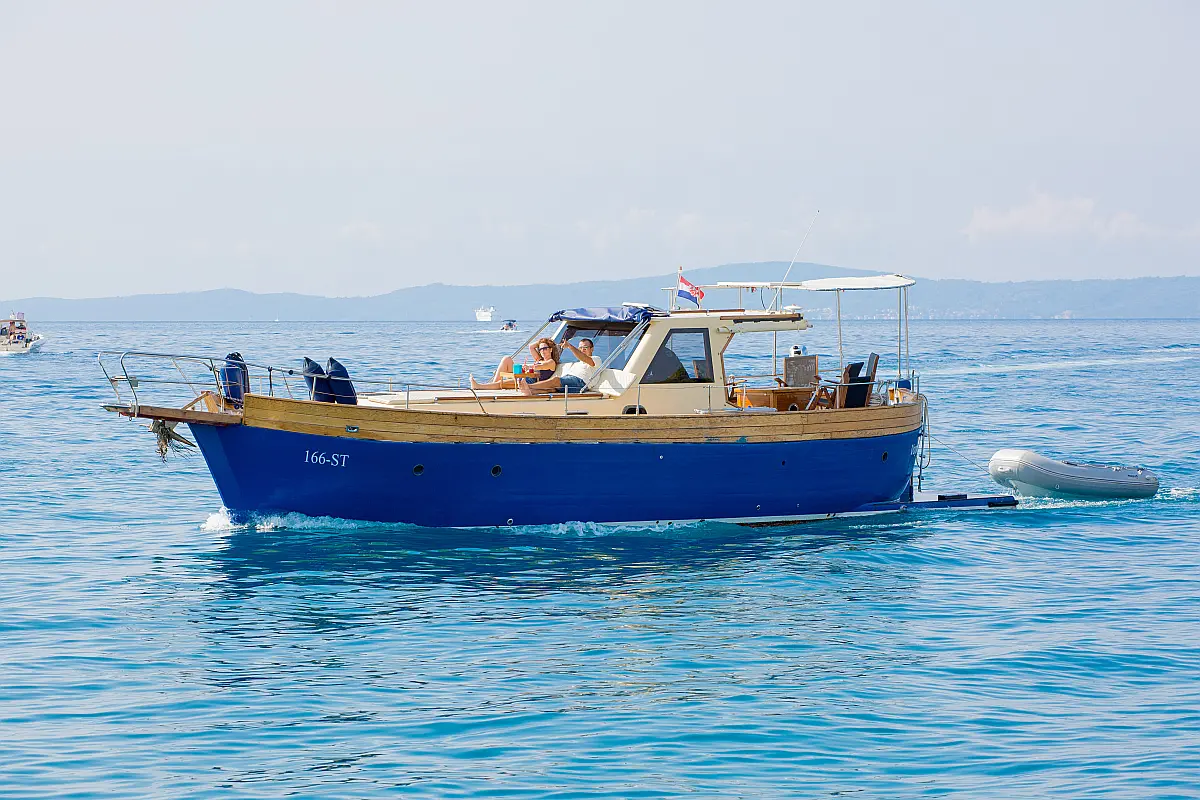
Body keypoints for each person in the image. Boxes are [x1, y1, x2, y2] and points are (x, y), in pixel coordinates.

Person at [470, 337, 559, 391]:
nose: (542, 351)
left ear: (551, 349)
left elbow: (541, 366)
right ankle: (493, 385)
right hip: (523, 376)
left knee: (502, 383)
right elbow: (531, 346)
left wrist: (530, 367)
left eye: (545, 348)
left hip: (529, 382)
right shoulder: (539, 359)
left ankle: (479, 386)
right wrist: (542, 341)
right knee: (506, 359)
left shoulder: (551, 362)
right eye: (540, 349)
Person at [518, 337, 599, 395]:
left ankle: (528, 387)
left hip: (581, 383)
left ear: (592, 349)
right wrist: (544, 341)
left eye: (585, 347)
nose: (582, 350)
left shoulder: (596, 359)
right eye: (580, 348)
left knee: (556, 380)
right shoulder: (578, 363)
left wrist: (570, 346)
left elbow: (584, 358)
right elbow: (531, 347)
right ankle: (530, 392)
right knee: (552, 389)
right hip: (570, 380)